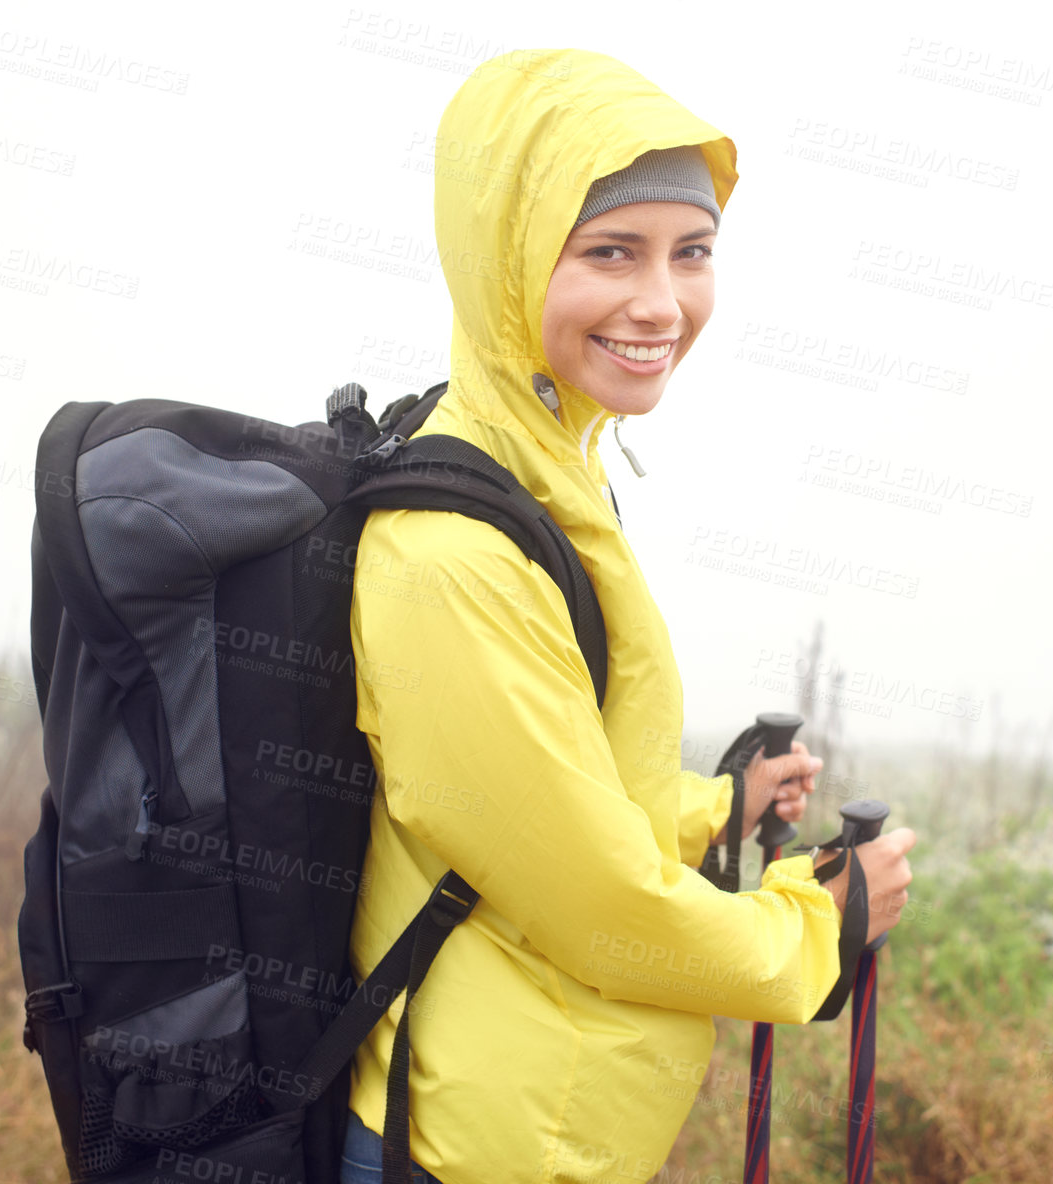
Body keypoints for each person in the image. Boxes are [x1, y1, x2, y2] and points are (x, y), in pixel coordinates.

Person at [339, 48, 917, 1184]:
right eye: (611, 252)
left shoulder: (547, 463)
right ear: (506, 260)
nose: (662, 302)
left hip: (541, 1124)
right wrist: (818, 928)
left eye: (691, 253)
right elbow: (598, 902)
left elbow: (560, 800)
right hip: (481, 1145)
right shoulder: (451, 552)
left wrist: (716, 807)